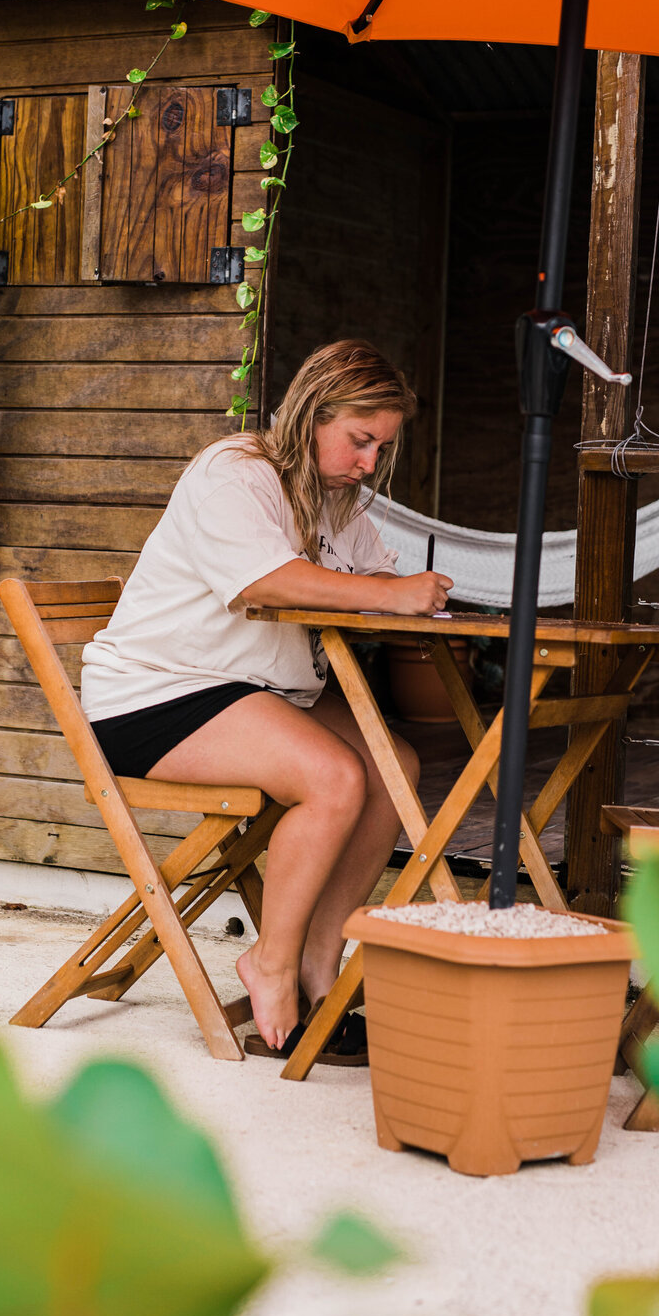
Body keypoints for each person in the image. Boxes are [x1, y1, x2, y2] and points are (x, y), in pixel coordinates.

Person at [81, 339, 452, 1061]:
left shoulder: (333, 499)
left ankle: (319, 963)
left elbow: (375, 577)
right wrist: (386, 594)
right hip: (159, 694)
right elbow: (267, 584)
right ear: (314, 413)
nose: (369, 463)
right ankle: (269, 964)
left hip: (254, 690)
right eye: (360, 440)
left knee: (391, 766)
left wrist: (406, 595)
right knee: (333, 776)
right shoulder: (235, 472)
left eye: (381, 447)